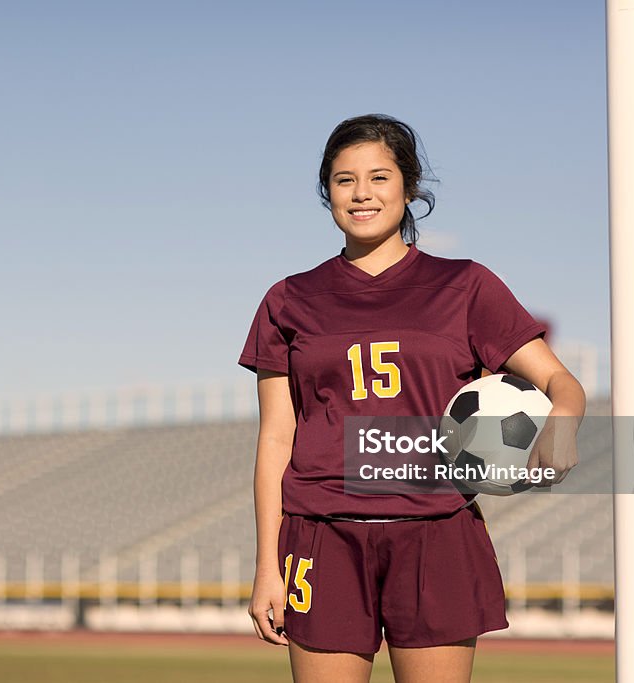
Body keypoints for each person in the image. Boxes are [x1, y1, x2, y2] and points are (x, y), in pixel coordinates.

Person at [237, 114, 585, 683]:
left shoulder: (466, 285)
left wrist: (564, 421)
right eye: (344, 179)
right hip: (323, 532)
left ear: (408, 185)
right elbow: (277, 437)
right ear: (326, 191)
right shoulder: (288, 299)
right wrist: (265, 568)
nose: (362, 193)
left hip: (437, 529)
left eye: (379, 176)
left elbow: (561, 383)